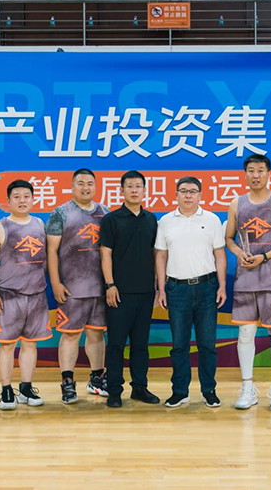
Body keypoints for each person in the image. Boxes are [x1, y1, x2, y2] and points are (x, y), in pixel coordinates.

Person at [226, 154, 271, 411]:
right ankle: (248, 387)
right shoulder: (237, 203)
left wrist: (265, 256)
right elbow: (229, 238)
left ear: (269, 174)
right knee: (245, 334)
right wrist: (239, 253)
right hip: (246, 280)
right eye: (251, 170)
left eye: (260, 170)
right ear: (245, 174)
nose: (255, 175)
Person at [155, 177, 227, 408]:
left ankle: (209, 390)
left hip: (207, 287)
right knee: (179, 344)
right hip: (177, 289)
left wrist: (222, 285)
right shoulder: (166, 221)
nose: (188, 195)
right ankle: (179, 391)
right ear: (176, 194)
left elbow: (219, 254)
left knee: (207, 344)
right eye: (183, 191)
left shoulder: (212, 220)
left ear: (200, 195)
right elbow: (161, 256)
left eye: (193, 191)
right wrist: (161, 289)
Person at [0, 179, 51, 410]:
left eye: (26, 196)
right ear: (8, 201)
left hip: (37, 296)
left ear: (33, 199)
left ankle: (25, 389)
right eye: (17, 197)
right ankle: (6, 391)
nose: (22, 201)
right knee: (7, 346)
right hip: (9, 296)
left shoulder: (40, 224)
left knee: (30, 345)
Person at [47, 169, 110, 404]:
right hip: (71, 288)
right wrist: (55, 282)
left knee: (97, 333)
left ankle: (96, 379)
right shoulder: (61, 213)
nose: (86, 188)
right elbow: (51, 251)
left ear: (96, 186)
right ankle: (67, 382)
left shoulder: (105, 212)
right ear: (72, 186)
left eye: (90, 183)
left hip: (99, 288)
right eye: (81, 183)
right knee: (70, 335)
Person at [99, 170, 160, 408]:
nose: (134, 190)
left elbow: (155, 254)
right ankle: (114, 391)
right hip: (119, 292)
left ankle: (139, 387)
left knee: (141, 344)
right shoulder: (111, 219)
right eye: (130, 186)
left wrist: (157, 285)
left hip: (145, 291)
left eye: (138, 186)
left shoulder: (151, 219)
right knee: (116, 344)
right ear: (121, 190)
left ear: (144, 190)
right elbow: (105, 254)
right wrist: (110, 284)